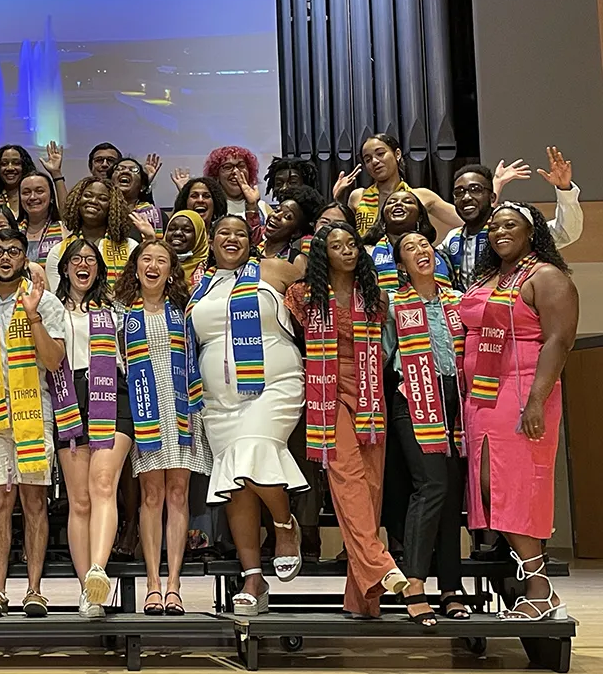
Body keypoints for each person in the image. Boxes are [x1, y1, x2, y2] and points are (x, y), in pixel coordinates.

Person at [283, 223, 408, 617]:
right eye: (336, 246)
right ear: (323, 255)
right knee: (348, 477)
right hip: (326, 392)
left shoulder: (377, 298)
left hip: (370, 392)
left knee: (371, 488)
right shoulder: (303, 297)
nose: (346, 250)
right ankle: (382, 564)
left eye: (351, 244)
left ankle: (362, 599)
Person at [461, 202, 577, 621]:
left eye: (510, 225)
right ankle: (534, 584)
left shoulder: (544, 276)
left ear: (532, 233)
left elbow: (558, 341)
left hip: (523, 388)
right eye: (493, 227)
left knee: (517, 482)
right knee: (492, 485)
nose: (498, 231)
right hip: (483, 395)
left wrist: (536, 400)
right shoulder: (491, 278)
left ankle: (539, 586)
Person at [187, 216, 306, 615]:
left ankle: (285, 526)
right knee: (235, 480)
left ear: (251, 239)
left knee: (253, 451)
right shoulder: (197, 285)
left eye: (240, 232)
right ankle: (253, 577)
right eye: (224, 232)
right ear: (212, 240)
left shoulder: (270, 269)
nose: (232, 238)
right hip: (218, 402)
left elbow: (319, 268)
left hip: (274, 385)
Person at [380, 232, 469, 626]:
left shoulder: (456, 301)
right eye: (410, 248)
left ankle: (450, 586)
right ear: (400, 265)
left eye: (425, 245)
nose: (421, 251)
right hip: (412, 396)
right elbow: (380, 357)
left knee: (450, 494)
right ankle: (414, 583)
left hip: (456, 399)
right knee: (431, 485)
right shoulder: (394, 304)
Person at [0, 229, 66, 619]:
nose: (6, 257)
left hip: (35, 412)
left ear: (24, 257)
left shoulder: (45, 300)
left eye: (14, 251)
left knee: (33, 502)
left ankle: (34, 590)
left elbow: (53, 360)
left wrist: (32, 318)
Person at [115, 240, 206, 617]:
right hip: (143, 407)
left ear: (171, 271)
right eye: (146, 259)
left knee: (178, 494)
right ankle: (153, 584)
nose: (153, 266)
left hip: (181, 407)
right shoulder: (121, 315)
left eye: (161, 261)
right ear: (135, 267)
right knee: (151, 496)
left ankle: (174, 585)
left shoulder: (185, 311)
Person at [51, 238, 131, 618]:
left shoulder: (115, 308)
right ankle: (88, 590)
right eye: (76, 259)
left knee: (103, 485)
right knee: (79, 500)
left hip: (111, 394)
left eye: (90, 259)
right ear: (64, 267)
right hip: (68, 395)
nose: (83, 264)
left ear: (99, 268)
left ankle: (99, 571)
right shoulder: (48, 308)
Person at [335, 133, 522, 236]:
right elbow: (340, 233)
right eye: (368, 159)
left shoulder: (422, 195)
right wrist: (336, 198)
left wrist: (496, 184)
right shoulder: (357, 196)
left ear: (397, 154)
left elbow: (470, 218)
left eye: (380, 153)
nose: (374, 161)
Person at [442, 151, 583, 286]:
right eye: (459, 192)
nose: (466, 197)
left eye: (475, 190)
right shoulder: (452, 238)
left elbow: (565, 232)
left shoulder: (512, 230)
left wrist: (564, 189)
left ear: (492, 197)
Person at [45, 178, 137, 294]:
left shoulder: (130, 247)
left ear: (112, 206)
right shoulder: (59, 251)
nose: (93, 201)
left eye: (103, 199)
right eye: (87, 195)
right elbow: (57, 295)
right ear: (77, 201)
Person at [364, 190, 453, 290]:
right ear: (383, 217)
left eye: (408, 202)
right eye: (391, 202)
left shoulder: (440, 256)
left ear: (420, 217)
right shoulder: (368, 252)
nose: (398, 204)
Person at [202, 145, 268, 224]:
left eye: (241, 166)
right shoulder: (209, 208)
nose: (235, 171)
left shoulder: (263, 207)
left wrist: (252, 205)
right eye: (227, 167)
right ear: (216, 175)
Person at [261, 186, 323, 266]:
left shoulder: (296, 261)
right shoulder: (250, 250)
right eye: (277, 210)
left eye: (287, 217)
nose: (277, 216)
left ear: (296, 232)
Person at [18, 172, 65, 263]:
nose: (32, 197)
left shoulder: (64, 229)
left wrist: (57, 174)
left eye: (39, 191)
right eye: (26, 192)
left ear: (51, 196)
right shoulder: (13, 230)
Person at [0, 145, 37, 213]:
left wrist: (54, 174)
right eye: (4, 164)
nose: (10, 168)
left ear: (25, 167)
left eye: (16, 163)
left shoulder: (33, 197)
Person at [113, 157, 162, 235]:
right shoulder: (101, 212)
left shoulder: (157, 215)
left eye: (134, 170)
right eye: (119, 169)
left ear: (142, 186)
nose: (125, 171)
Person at [165, 210, 210, 288]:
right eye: (172, 229)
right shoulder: (155, 265)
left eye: (186, 230)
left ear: (199, 236)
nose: (177, 233)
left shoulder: (210, 268)